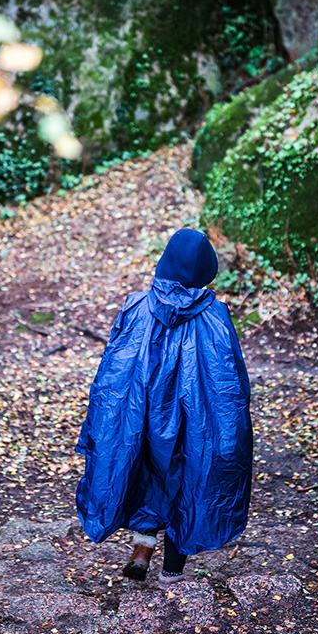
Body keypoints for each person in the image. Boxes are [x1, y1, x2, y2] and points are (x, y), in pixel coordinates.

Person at [75, 228, 252, 587]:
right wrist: (231, 425)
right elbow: (229, 378)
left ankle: (142, 548)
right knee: (190, 478)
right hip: (195, 418)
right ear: (207, 269)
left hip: (141, 412)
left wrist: (110, 417)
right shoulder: (215, 315)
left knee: (144, 467)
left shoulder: (136, 306)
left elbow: (114, 367)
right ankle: (172, 569)